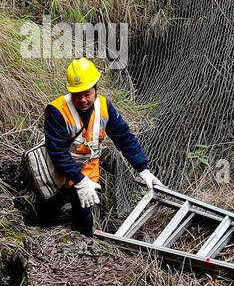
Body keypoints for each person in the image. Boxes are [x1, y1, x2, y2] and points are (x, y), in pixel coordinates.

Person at [37, 57, 157, 237]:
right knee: (49, 209)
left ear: (95, 88)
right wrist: (79, 180)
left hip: (87, 166)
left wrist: (143, 168)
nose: (83, 99)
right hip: (58, 168)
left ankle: (82, 243)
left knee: (84, 215)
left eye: (87, 93)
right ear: (70, 92)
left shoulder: (104, 107)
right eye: (77, 94)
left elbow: (124, 138)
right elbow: (57, 152)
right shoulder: (57, 110)